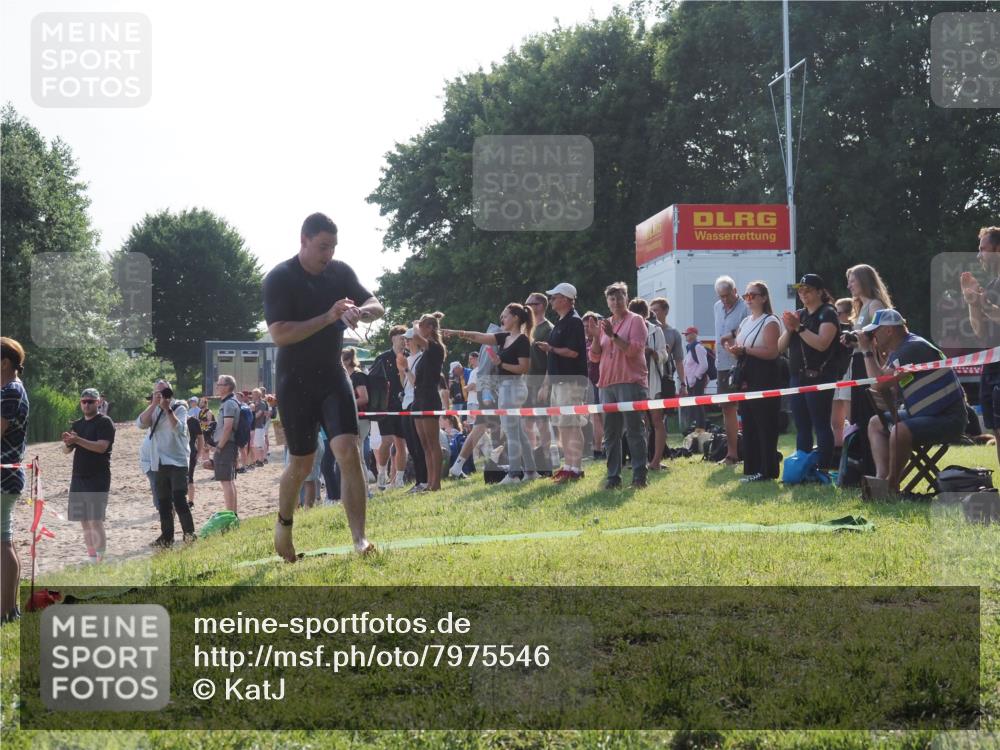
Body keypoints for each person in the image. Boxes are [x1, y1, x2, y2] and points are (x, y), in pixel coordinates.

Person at [263, 212, 383, 561]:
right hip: (294, 382)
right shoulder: (280, 278)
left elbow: (377, 304)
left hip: (333, 375)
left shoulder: (340, 272)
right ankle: (284, 524)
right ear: (303, 241)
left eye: (332, 247)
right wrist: (329, 317)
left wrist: (360, 312)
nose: (327, 254)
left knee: (348, 449)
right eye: (322, 246)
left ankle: (360, 538)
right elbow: (281, 334)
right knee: (302, 463)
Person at [860, 309, 967, 494]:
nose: (873, 336)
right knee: (875, 423)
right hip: (925, 413)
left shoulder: (911, 348)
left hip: (949, 418)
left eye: (875, 331)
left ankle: (891, 486)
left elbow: (877, 384)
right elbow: (884, 381)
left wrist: (866, 351)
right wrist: (876, 351)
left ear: (889, 330)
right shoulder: (904, 348)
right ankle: (880, 480)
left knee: (899, 431)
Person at [446, 304, 538, 484]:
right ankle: (531, 471)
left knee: (512, 433)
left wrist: (501, 363)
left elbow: (523, 368)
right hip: (505, 388)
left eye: (505, 316)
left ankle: (513, 474)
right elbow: (479, 337)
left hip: (513, 387)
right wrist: (457, 332)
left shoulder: (522, 340)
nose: (502, 319)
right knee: (517, 431)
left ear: (516, 318)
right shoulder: (505, 337)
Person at [778, 274, 841, 469]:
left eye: (807, 290)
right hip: (797, 376)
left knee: (820, 423)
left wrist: (799, 327)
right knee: (801, 425)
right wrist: (790, 329)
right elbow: (779, 348)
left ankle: (824, 467)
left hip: (819, 376)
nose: (803, 293)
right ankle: (801, 467)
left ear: (820, 292)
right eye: (800, 290)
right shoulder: (800, 314)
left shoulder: (828, 313)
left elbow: (822, 344)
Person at [590, 282, 649, 490]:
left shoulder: (636, 321)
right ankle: (613, 477)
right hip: (607, 383)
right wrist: (597, 336)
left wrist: (613, 336)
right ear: (607, 301)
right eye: (612, 298)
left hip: (630, 381)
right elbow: (595, 356)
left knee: (634, 430)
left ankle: (639, 476)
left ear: (627, 298)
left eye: (620, 297)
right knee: (611, 433)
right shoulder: (605, 323)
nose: (616, 302)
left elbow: (633, 350)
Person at [726, 283, 783, 482]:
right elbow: (742, 349)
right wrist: (735, 351)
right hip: (747, 374)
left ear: (764, 298)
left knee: (765, 424)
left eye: (753, 295)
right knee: (748, 423)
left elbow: (772, 351)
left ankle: (767, 469)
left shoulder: (770, 321)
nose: (748, 299)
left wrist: (745, 351)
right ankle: (751, 469)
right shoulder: (746, 321)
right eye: (746, 295)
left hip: (765, 376)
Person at [842, 264, 893, 475]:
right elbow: (865, 339)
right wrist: (852, 341)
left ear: (864, 280)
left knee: (869, 414)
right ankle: (864, 467)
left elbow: (882, 336)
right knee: (859, 417)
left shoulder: (875, 305)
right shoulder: (861, 308)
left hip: (869, 365)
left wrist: (861, 341)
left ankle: (876, 469)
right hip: (859, 363)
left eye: (853, 281)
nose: (849, 285)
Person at [537, 282, 588, 483]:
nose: (551, 300)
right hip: (559, 382)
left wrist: (551, 349)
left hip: (571, 380)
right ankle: (568, 466)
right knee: (563, 425)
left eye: (554, 297)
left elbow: (573, 352)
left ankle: (576, 468)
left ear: (566, 299)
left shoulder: (574, 321)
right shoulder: (561, 321)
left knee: (572, 425)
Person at [137, 379, 195, 548]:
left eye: (165, 392)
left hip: (177, 460)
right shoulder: (153, 409)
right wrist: (154, 404)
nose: (163, 395)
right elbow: (140, 424)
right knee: (163, 502)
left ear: (171, 392)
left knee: (179, 498)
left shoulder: (179, 407)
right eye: (158, 392)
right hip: (158, 461)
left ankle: (189, 534)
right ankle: (167, 536)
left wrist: (167, 408)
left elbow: (180, 429)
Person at [62, 388, 116, 563]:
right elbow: (66, 451)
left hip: (97, 476)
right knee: (83, 519)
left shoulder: (105, 422)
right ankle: (92, 557)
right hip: (78, 476)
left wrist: (77, 440)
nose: (86, 404)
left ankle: (101, 558)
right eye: (84, 401)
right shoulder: (77, 424)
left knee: (95, 519)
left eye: (90, 401)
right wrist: (68, 442)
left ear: (98, 402)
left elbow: (101, 447)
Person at [965, 226, 1000, 467]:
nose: (979, 255)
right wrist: (972, 302)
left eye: (983, 250)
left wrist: (982, 303)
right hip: (991, 364)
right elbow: (979, 331)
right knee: (996, 430)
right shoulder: (992, 285)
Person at [1, 338, 29, 624]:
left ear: (5, 362)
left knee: (2, 543)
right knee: (5, 541)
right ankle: (10, 607)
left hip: (2, 476)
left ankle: (5, 611)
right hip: (7, 475)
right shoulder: (10, 390)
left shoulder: (9, 391)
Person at [713, 275, 749, 465]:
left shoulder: (745, 307)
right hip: (723, 364)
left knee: (747, 407)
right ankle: (732, 453)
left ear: (735, 291)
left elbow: (750, 325)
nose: (724, 300)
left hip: (742, 363)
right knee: (727, 408)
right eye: (721, 296)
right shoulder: (717, 307)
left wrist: (731, 335)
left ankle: (751, 451)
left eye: (727, 295)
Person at [409, 313, 447, 491]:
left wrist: (415, 323)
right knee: (424, 443)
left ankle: (436, 483)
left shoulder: (436, 347)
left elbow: (415, 336)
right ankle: (430, 482)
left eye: (423, 326)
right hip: (418, 398)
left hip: (430, 398)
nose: (419, 330)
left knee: (433, 442)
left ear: (430, 328)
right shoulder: (425, 352)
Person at [629, 298, 668, 471]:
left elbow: (664, 354)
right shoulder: (627, 330)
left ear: (646, 315)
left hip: (653, 381)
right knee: (640, 423)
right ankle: (641, 460)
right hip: (635, 381)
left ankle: (656, 460)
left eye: (640, 315)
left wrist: (652, 353)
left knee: (657, 421)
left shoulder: (655, 330)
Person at [649, 296, 687, 455]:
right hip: (649, 376)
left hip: (666, 377)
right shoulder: (647, 329)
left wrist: (683, 384)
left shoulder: (673, 333)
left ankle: (660, 451)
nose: (653, 313)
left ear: (665, 311)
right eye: (652, 310)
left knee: (661, 417)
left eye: (656, 310)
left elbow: (679, 360)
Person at [372, 325, 408, 490]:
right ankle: (381, 473)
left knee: (401, 444)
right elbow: (372, 380)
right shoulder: (382, 358)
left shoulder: (408, 356)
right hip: (385, 405)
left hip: (403, 404)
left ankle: (399, 479)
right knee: (386, 441)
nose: (404, 341)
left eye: (405, 338)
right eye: (401, 337)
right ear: (393, 338)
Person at [525, 292, 554, 466]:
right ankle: (531, 459)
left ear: (541, 306)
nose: (527, 307)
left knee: (543, 422)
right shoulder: (526, 328)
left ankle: (545, 458)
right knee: (526, 422)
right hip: (527, 382)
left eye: (531, 304)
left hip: (542, 381)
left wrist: (545, 384)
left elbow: (552, 359)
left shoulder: (548, 329)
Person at [399, 328, 428, 493]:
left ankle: (424, 481)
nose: (406, 342)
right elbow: (404, 383)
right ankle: (419, 481)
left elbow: (416, 383)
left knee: (418, 444)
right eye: (405, 339)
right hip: (405, 404)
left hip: (415, 403)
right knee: (411, 444)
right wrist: (401, 369)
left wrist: (406, 370)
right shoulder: (408, 358)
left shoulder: (421, 358)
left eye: (409, 339)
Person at [831, 297, 854, 456]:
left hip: (850, 371)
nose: (835, 317)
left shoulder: (854, 332)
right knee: (835, 421)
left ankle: (854, 452)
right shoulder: (834, 330)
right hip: (836, 372)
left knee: (851, 417)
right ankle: (838, 457)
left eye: (838, 313)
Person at [581, 311, 604, 456]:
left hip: (601, 381)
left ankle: (598, 447)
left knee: (598, 416)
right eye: (583, 326)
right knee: (593, 415)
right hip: (588, 382)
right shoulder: (582, 342)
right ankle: (597, 446)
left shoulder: (601, 340)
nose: (586, 329)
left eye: (588, 326)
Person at [682, 327, 710, 430]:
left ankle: (701, 429)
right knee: (694, 407)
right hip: (691, 383)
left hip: (697, 382)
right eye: (685, 334)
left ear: (694, 334)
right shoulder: (690, 348)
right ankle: (696, 428)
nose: (686, 336)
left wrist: (696, 377)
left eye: (688, 334)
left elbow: (704, 365)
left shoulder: (698, 347)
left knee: (699, 406)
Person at [186, 397, 205, 509]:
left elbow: (201, 438)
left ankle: (191, 502)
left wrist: (199, 453)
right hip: (179, 453)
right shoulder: (176, 420)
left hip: (190, 452)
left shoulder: (193, 421)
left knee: (190, 477)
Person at [251, 388, 269, 467]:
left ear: (258, 395)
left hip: (259, 426)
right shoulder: (253, 403)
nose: (252, 396)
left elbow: (258, 414)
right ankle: (257, 460)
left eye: (254, 394)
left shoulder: (262, 404)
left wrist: (249, 417)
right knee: (255, 444)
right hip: (253, 426)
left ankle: (260, 460)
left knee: (259, 444)